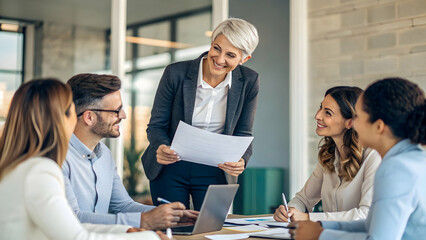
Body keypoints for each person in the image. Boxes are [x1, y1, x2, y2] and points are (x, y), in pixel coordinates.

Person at [0, 79, 166, 240]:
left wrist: (127, 230)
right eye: (72, 111)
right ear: (61, 118)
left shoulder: (18, 167)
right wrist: (149, 237)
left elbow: (70, 226)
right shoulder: (40, 170)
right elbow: (77, 236)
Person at [141, 18, 260, 210]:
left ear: (244, 59)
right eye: (216, 48)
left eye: (230, 55)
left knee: (209, 229)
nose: (220, 59)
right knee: (173, 227)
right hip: (171, 165)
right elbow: (156, 125)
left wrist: (242, 159)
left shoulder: (249, 81)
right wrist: (162, 146)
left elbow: (244, 132)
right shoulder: (176, 73)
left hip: (215, 169)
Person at [289, 77, 426, 240]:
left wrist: (321, 235)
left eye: (358, 117)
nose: (353, 124)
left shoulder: (396, 168)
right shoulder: (409, 159)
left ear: (379, 126)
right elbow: (369, 225)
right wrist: (322, 226)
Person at [63, 73, 197, 230]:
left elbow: (122, 206)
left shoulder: (104, 154)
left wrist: (172, 215)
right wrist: (145, 220)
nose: (123, 115)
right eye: (116, 110)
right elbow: (72, 218)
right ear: (89, 117)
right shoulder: (58, 158)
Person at [274, 87, 381, 222]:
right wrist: (289, 211)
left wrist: (308, 218)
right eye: (321, 108)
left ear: (350, 122)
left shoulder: (374, 156)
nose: (317, 116)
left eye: (328, 113)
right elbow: (303, 199)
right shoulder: (329, 155)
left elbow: (366, 214)